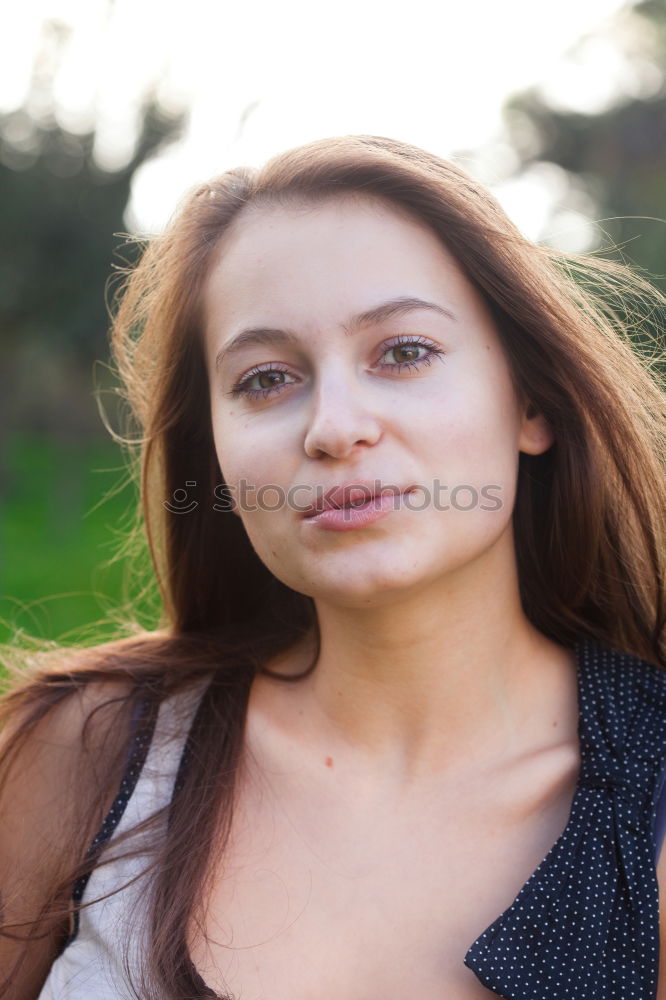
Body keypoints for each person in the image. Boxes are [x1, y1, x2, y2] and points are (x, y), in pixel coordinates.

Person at [0, 134, 665, 1000]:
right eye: (267, 378)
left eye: (404, 352)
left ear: (530, 401)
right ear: (218, 460)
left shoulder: (648, 802)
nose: (334, 427)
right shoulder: (83, 755)